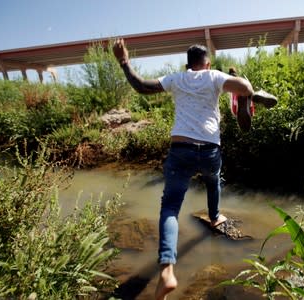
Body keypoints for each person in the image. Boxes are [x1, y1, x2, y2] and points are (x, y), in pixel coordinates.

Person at [112, 39, 276, 300]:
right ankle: (215, 216)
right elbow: (242, 85)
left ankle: (167, 269)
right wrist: (247, 95)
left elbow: (141, 86)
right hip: (210, 150)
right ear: (207, 63)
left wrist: (124, 61)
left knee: (170, 208)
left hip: (181, 150)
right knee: (213, 181)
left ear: (187, 65)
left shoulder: (176, 78)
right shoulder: (213, 76)